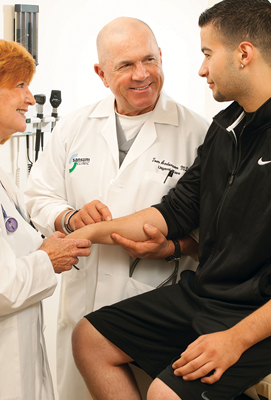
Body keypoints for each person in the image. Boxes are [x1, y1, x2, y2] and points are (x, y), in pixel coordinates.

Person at [68, 1, 271, 399]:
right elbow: (175, 211)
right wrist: (80, 235)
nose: (202, 69)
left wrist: (235, 339)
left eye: (208, 54)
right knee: (89, 338)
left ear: (243, 54)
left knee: (164, 393)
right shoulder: (227, 127)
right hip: (216, 296)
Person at [24, 17, 209, 399]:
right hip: (82, 301)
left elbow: (217, 232)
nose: (142, 74)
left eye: (149, 60)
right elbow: (38, 195)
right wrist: (69, 217)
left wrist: (176, 247)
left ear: (161, 57)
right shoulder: (74, 127)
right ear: (101, 73)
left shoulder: (199, 134)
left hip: (156, 304)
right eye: (126, 65)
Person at [0, 37, 91, 400]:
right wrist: (47, 259)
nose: (31, 99)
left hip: (7, 355)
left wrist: (50, 244)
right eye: (20, 85)